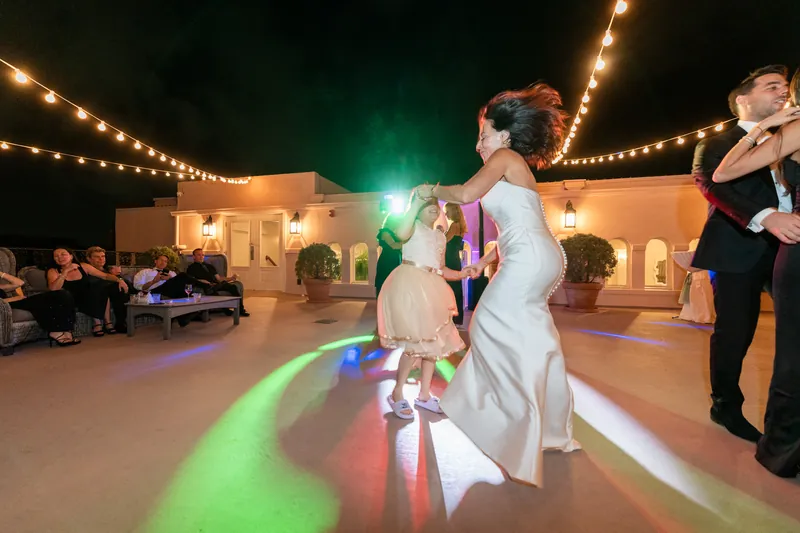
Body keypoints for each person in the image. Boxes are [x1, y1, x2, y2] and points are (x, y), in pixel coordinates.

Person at [416, 82, 580, 487]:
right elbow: (515, 228)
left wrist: (429, 189)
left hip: (531, 256)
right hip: (537, 254)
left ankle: (515, 424)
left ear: (504, 134)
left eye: (483, 134)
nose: (478, 144)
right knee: (529, 333)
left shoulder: (506, 157)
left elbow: (466, 192)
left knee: (487, 324)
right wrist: (485, 261)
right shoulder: (510, 166)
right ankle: (547, 427)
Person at [690, 65, 798, 443]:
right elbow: (711, 185)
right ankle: (725, 406)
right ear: (743, 100)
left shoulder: (788, 137)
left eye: (785, 87)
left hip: (789, 250)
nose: (782, 93)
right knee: (735, 333)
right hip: (738, 247)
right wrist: (767, 217)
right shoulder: (717, 143)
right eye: (771, 87)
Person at [380, 193, 466, 419]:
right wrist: (416, 200)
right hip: (410, 285)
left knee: (432, 345)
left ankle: (424, 395)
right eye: (427, 204)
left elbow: (441, 268)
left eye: (436, 204)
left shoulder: (440, 236)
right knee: (415, 342)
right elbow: (400, 234)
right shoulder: (411, 226)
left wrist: (461, 273)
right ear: (416, 207)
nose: (434, 208)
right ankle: (397, 393)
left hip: (433, 288)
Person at [47, 248, 124, 337]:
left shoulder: (83, 266)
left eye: (63, 254)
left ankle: (106, 322)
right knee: (94, 291)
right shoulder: (53, 271)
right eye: (56, 256)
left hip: (88, 296)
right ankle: (98, 324)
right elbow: (53, 289)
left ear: (71, 256)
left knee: (100, 287)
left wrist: (119, 280)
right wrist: (65, 272)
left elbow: (105, 276)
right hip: (71, 300)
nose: (60, 257)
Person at [1, 269, 79, 347]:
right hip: (4, 306)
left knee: (61, 295)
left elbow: (20, 283)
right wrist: (9, 300)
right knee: (46, 299)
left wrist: (1, 273)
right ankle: (55, 332)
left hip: (12, 302)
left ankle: (66, 330)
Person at [186, 249, 249, 317]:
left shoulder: (209, 266)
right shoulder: (191, 268)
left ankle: (241, 310)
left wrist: (231, 278)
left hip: (217, 284)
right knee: (212, 292)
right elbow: (191, 279)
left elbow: (219, 278)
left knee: (233, 287)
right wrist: (201, 281)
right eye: (199, 255)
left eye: (202, 255)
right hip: (207, 286)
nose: (201, 257)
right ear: (194, 257)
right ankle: (226, 311)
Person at [85, 246, 131, 333]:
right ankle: (103, 323)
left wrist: (121, 280)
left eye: (102, 256)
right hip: (92, 293)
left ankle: (120, 323)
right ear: (89, 259)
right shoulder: (87, 270)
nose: (101, 259)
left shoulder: (108, 271)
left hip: (109, 293)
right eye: (97, 257)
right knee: (100, 287)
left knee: (121, 288)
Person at [444, 203, 468, 326]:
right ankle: (456, 317)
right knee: (455, 289)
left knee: (450, 288)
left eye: (447, 211)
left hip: (450, 260)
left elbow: (443, 240)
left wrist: (438, 232)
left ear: (453, 211)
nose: (445, 214)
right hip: (454, 260)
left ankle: (452, 317)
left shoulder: (454, 225)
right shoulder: (459, 226)